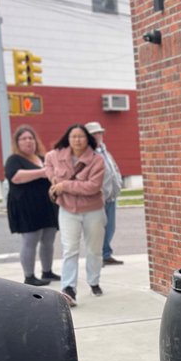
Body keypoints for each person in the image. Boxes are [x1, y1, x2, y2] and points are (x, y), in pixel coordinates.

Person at [44, 123, 106, 307]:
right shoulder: (56, 155)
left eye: (81, 136)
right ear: (67, 138)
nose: (77, 140)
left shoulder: (97, 160)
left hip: (93, 210)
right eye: (73, 137)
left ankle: (94, 281)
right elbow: (47, 162)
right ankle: (68, 289)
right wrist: (52, 177)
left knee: (94, 249)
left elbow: (92, 186)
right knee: (70, 249)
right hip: (67, 209)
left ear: (88, 139)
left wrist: (64, 186)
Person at [4, 125, 61, 286]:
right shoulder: (14, 160)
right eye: (24, 139)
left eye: (31, 138)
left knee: (48, 239)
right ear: (17, 142)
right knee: (30, 240)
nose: (28, 141)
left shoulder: (42, 158)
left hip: (47, 205)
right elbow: (16, 177)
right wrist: (42, 172)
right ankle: (29, 276)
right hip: (26, 206)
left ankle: (47, 271)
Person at [85, 121, 124, 265]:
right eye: (94, 133)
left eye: (99, 132)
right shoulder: (88, 152)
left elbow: (113, 168)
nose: (98, 135)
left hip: (111, 196)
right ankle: (97, 257)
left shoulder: (103, 149)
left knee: (110, 227)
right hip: (97, 198)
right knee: (97, 229)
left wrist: (118, 182)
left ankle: (106, 254)